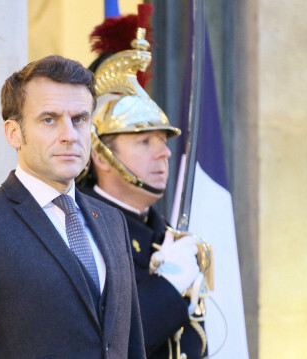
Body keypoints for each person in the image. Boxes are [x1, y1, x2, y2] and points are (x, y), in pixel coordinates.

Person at [0, 55, 146, 359]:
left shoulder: (111, 220)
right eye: (49, 119)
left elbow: (129, 345)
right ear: (13, 133)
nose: (69, 134)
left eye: (79, 119)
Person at [78, 9, 208, 359]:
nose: (164, 153)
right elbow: (109, 343)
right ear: (102, 155)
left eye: (163, 140)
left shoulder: (164, 233)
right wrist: (168, 288)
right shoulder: (79, 227)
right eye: (144, 141)